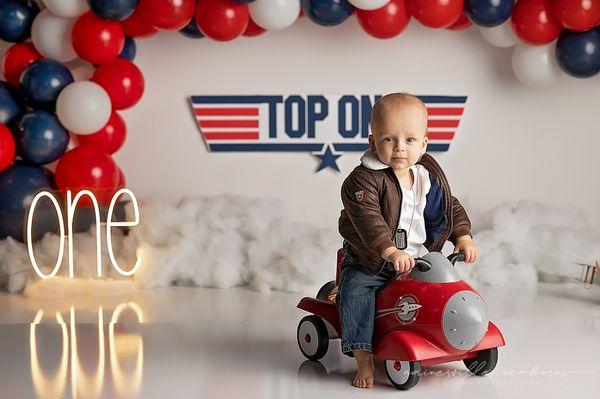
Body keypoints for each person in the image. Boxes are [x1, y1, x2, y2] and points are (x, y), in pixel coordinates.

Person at [336, 92, 478, 388]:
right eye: (389, 139)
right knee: (357, 291)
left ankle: (448, 334)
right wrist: (387, 250)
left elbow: (448, 207)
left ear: (424, 144)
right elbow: (368, 220)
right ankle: (363, 356)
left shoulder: (426, 176)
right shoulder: (362, 181)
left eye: (410, 140)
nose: (400, 147)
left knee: (438, 289)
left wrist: (462, 235)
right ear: (373, 142)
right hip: (371, 259)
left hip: (417, 258)